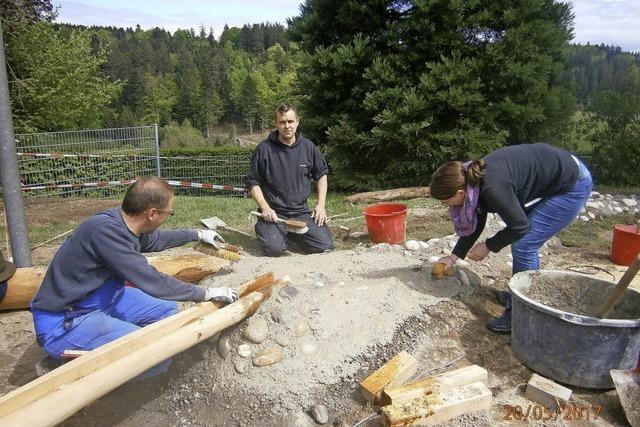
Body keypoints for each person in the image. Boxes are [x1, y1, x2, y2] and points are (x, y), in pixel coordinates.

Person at [30, 176, 238, 371]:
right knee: (156, 361)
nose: (168, 216)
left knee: (168, 313)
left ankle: (115, 343)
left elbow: (156, 240)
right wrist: (205, 293)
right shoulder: (106, 232)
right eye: (169, 212)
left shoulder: (124, 224)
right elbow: (150, 280)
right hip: (66, 319)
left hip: (103, 299)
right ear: (152, 213)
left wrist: (198, 234)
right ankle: (64, 365)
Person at [429, 143, 593, 333]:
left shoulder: (492, 188)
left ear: (460, 193)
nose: (445, 205)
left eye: (445, 201)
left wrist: (489, 245)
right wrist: (454, 256)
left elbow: (520, 227)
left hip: (572, 184)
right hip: (559, 172)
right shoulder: (470, 178)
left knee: (524, 244)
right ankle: (520, 297)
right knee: (521, 235)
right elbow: (477, 219)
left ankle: (523, 313)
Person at [246, 103, 334, 256]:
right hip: (273, 214)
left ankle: (291, 234)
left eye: (290, 121)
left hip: (301, 214)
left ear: (297, 122)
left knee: (325, 246)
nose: (287, 126)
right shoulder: (264, 149)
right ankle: (273, 232)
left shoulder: (308, 147)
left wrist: (320, 205)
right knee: (274, 249)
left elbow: (321, 174)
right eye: (282, 122)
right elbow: (253, 182)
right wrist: (265, 208)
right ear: (276, 124)